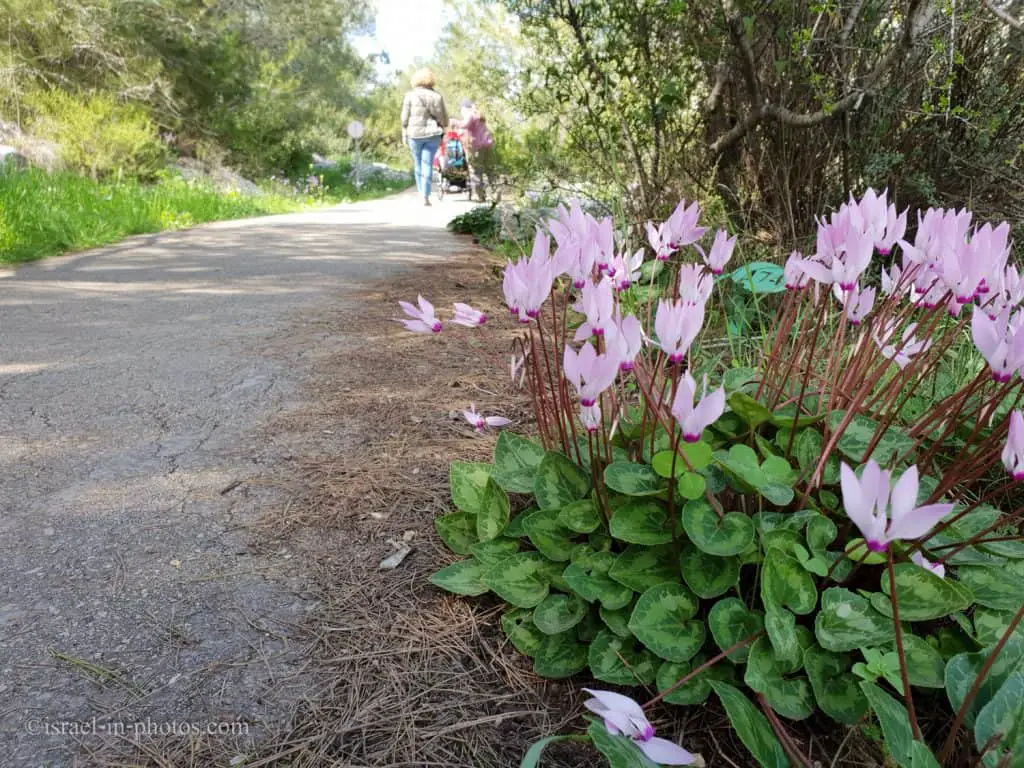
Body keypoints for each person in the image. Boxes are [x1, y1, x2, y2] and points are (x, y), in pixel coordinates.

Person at [400, 68, 449, 206]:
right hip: (433, 134)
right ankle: (425, 197)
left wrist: (404, 132)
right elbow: (444, 119)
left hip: (414, 134)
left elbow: (404, 118)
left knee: (418, 164)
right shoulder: (437, 97)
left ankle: (422, 193)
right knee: (427, 163)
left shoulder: (410, 95)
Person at [451, 99, 495, 202]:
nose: (461, 112)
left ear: (464, 108)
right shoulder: (479, 115)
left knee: (475, 171)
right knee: (489, 170)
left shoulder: (470, 114)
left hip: (476, 147)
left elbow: (464, 125)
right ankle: (495, 192)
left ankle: (480, 196)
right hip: (487, 145)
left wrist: (453, 121)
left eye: (461, 109)